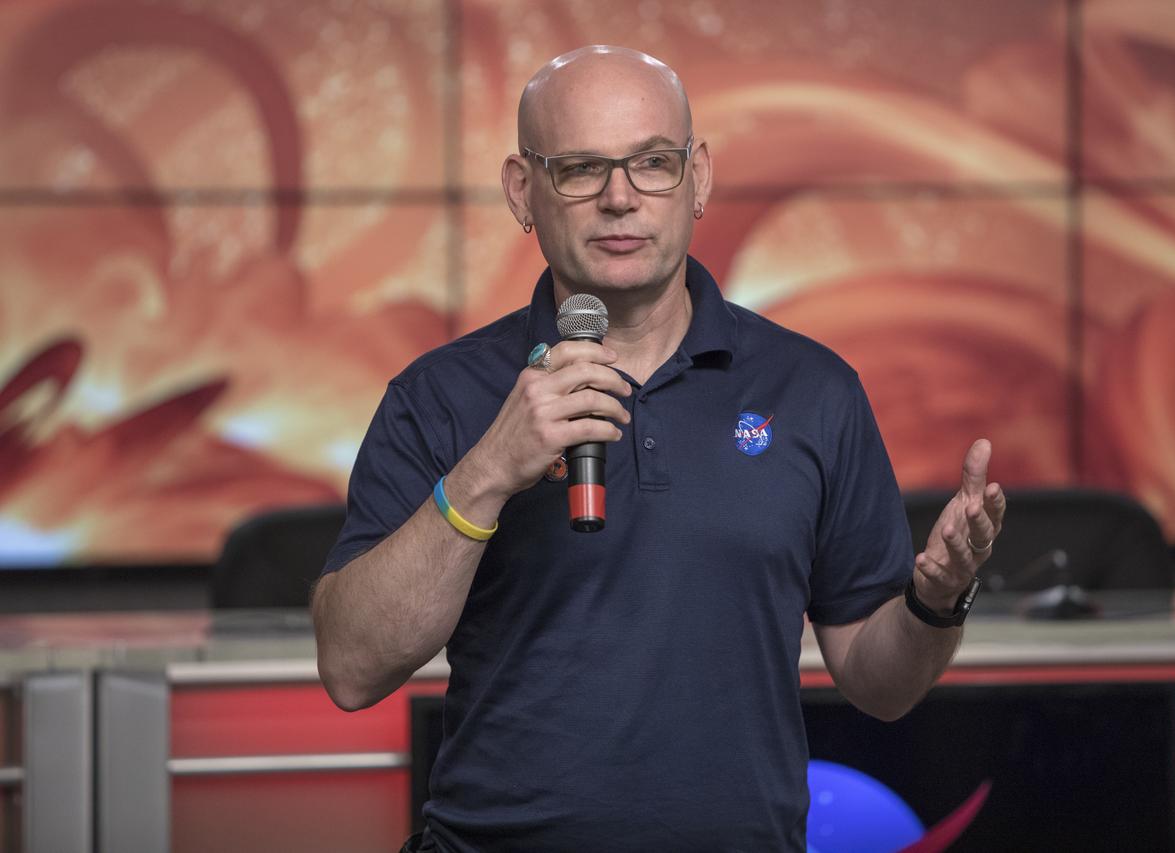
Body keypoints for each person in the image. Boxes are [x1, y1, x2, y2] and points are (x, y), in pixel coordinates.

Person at [311, 45, 1006, 853]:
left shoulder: (813, 390)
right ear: (522, 190)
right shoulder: (438, 396)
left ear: (697, 179)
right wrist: (487, 472)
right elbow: (352, 668)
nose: (620, 198)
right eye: (580, 168)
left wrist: (935, 601)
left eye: (652, 163)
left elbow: (881, 686)